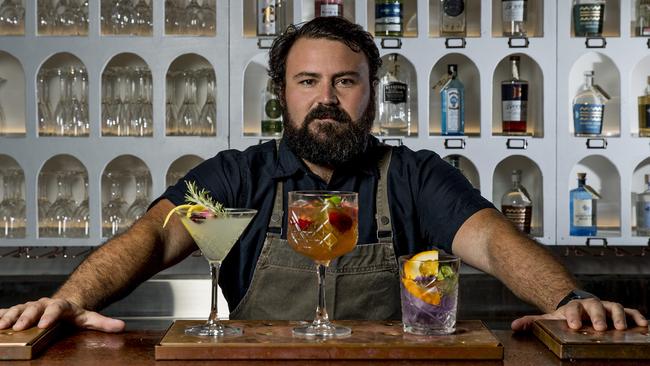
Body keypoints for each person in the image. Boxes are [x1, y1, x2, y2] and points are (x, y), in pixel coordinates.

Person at [0, 17, 646, 334]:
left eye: (346, 80)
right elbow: (151, 238)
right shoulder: (238, 177)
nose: (327, 97)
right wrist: (71, 299)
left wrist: (567, 300)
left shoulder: (412, 177)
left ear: (371, 93)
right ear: (282, 92)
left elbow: (496, 243)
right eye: (308, 81)